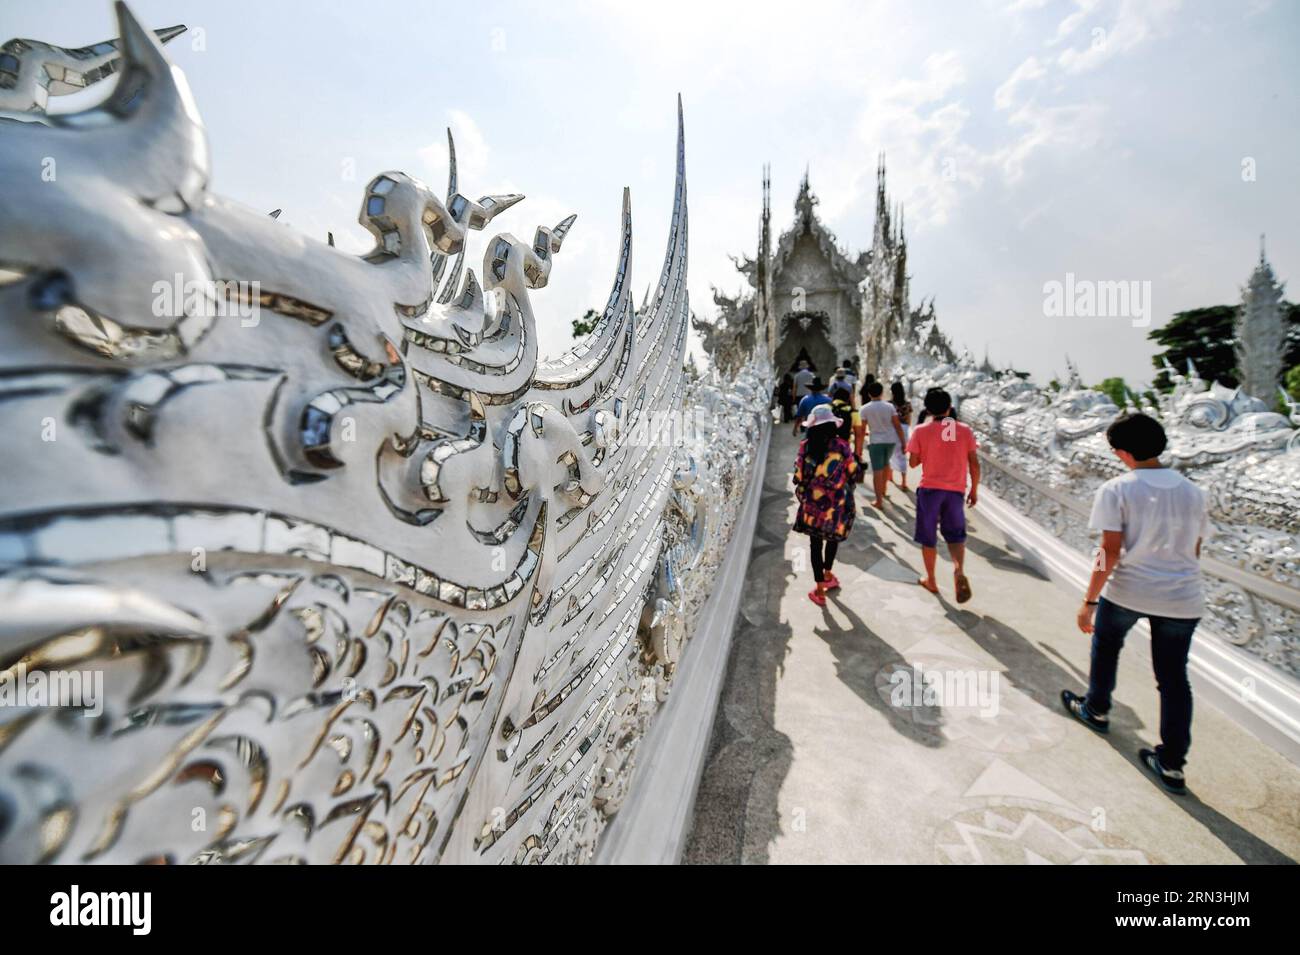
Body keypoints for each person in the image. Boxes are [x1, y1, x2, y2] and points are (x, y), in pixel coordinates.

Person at [1061, 413, 1208, 796]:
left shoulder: (1118, 488)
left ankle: (1096, 709)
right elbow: (1195, 548)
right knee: (1174, 678)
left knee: (1106, 648)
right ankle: (1172, 764)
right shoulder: (1193, 491)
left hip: (1129, 589)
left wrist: (1089, 599)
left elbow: (1108, 552)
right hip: (1182, 596)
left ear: (1123, 452)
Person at [906, 388, 978, 603]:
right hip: (955, 491)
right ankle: (958, 570)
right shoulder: (964, 430)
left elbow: (913, 463)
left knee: (929, 538)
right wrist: (974, 489)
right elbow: (974, 463)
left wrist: (927, 452)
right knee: (955, 536)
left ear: (927, 409)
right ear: (950, 407)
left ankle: (932, 580)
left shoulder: (921, 431)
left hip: (930, 490)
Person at [793, 403, 859, 607]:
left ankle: (819, 590)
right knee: (832, 540)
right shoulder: (843, 446)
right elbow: (853, 471)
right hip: (836, 505)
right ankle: (829, 574)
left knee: (815, 545)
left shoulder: (805, 446)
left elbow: (798, 475)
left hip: (812, 505)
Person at [861, 381, 906, 509]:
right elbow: (897, 425)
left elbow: (863, 429)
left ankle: (879, 500)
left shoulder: (865, 409)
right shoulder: (889, 407)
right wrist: (903, 442)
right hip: (890, 441)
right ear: (881, 393)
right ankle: (884, 489)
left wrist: (858, 447)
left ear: (869, 394)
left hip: (876, 441)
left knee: (877, 470)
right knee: (886, 464)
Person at [889, 381, 914, 491]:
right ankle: (904, 481)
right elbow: (909, 419)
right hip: (904, 429)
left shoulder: (889, 404)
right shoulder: (907, 404)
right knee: (902, 454)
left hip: (892, 428)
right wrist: (906, 428)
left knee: (891, 453)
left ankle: (890, 476)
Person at [828, 384, 862, 461]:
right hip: (844, 448)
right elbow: (858, 435)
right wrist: (857, 454)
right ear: (847, 400)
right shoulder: (854, 413)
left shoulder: (825, 409)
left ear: (833, 398)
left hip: (826, 447)